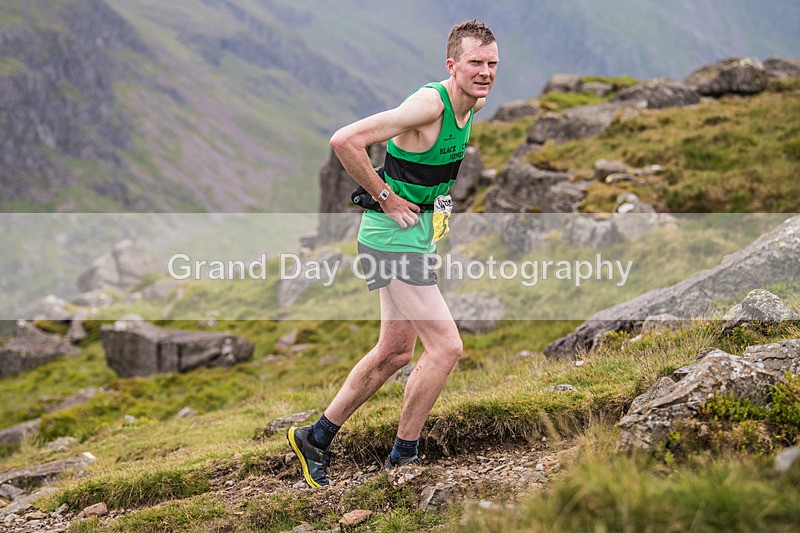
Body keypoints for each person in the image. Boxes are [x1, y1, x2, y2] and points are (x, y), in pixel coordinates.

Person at [288, 20, 498, 488]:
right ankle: (404, 455)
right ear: (452, 65)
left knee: (395, 351)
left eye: (491, 64)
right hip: (391, 239)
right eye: (475, 63)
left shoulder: (474, 103)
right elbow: (345, 140)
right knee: (446, 347)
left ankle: (315, 437)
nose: (485, 73)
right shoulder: (428, 104)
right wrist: (384, 195)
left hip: (416, 234)